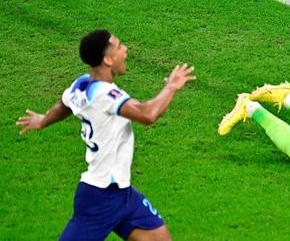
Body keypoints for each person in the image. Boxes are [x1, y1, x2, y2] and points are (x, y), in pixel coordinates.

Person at [16, 29, 196, 241]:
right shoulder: (104, 94)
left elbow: (65, 103)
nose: (125, 49)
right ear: (108, 59)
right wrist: (171, 87)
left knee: (159, 237)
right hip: (101, 197)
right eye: (119, 46)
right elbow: (147, 114)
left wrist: (43, 120)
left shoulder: (82, 83)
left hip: (123, 192)